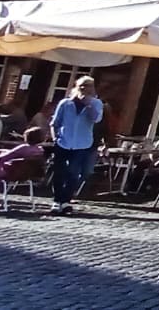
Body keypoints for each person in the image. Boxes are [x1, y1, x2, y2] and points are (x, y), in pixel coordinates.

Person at [49, 76, 102, 215]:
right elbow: (55, 122)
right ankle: (57, 201)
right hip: (63, 142)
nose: (85, 89)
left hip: (82, 144)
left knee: (74, 173)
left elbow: (96, 119)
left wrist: (88, 104)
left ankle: (66, 201)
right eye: (82, 86)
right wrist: (55, 138)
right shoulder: (65, 103)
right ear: (77, 87)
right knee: (59, 173)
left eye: (89, 86)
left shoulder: (96, 103)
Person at [0, 126, 46, 207]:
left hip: (10, 173)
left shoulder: (23, 148)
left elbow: (1, 159)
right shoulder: (40, 150)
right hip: (25, 174)